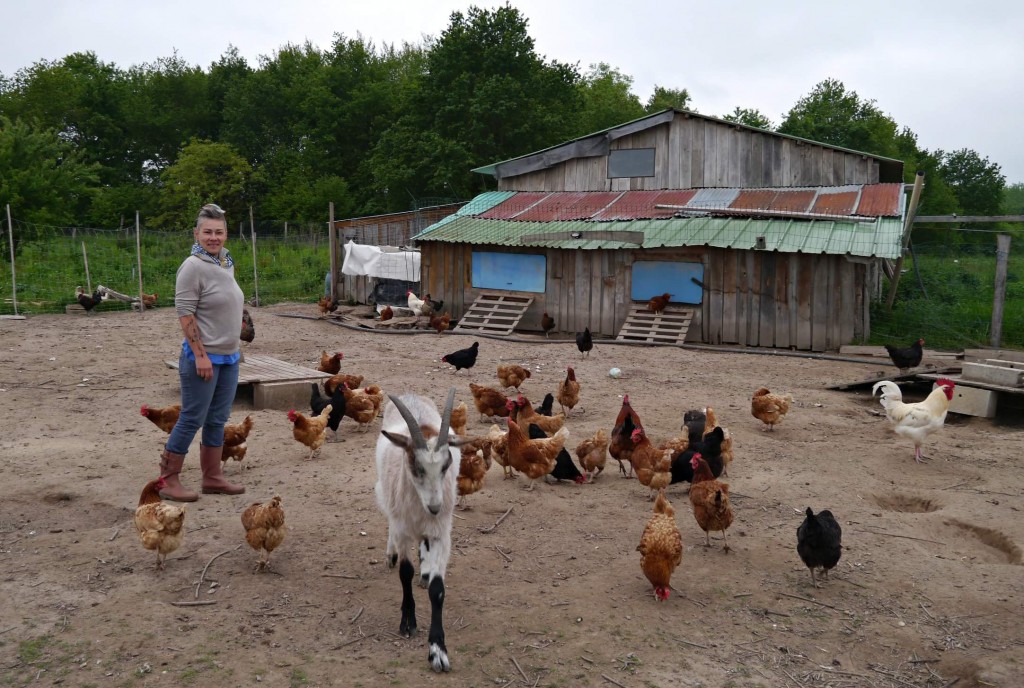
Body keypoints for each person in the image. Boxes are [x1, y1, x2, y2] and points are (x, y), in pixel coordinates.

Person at [159, 203, 246, 501]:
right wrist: (199, 355)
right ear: (196, 233)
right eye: (207, 232)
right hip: (204, 357)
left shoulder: (224, 262)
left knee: (217, 419)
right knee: (193, 416)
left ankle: (212, 477)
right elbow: (185, 314)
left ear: (226, 235)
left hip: (229, 356)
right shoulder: (192, 266)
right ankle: (168, 479)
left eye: (219, 232)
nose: (213, 237)